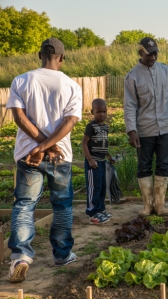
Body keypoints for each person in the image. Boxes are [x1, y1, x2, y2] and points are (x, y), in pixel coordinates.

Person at [6, 38, 82, 283]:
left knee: (24, 205)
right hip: (60, 156)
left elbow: (18, 117)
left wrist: (38, 146)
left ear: (40, 54)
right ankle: (62, 254)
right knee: (62, 205)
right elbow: (70, 122)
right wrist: (48, 147)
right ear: (62, 57)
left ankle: (20, 256)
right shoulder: (71, 85)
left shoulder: (21, 80)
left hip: (29, 155)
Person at [124, 37, 168, 217]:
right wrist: (131, 131)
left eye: (154, 54)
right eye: (148, 54)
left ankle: (160, 205)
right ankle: (148, 206)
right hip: (144, 129)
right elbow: (130, 106)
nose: (152, 57)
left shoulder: (166, 71)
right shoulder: (132, 76)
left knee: (164, 165)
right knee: (144, 166)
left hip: (166, 127)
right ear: (140, 53)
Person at [81, 98, 115, 224]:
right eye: (99, 112)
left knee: (101, 187)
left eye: (104, 112)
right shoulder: (91, 126)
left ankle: (100, 209)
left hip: (101, 161)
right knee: (93, 187)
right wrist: (90, 159)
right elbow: (84, 144)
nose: (102, 114)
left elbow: (104, 145)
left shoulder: (105, 127)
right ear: (92, 112)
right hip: (93, 162)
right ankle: (92, 212)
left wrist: (109, 156)